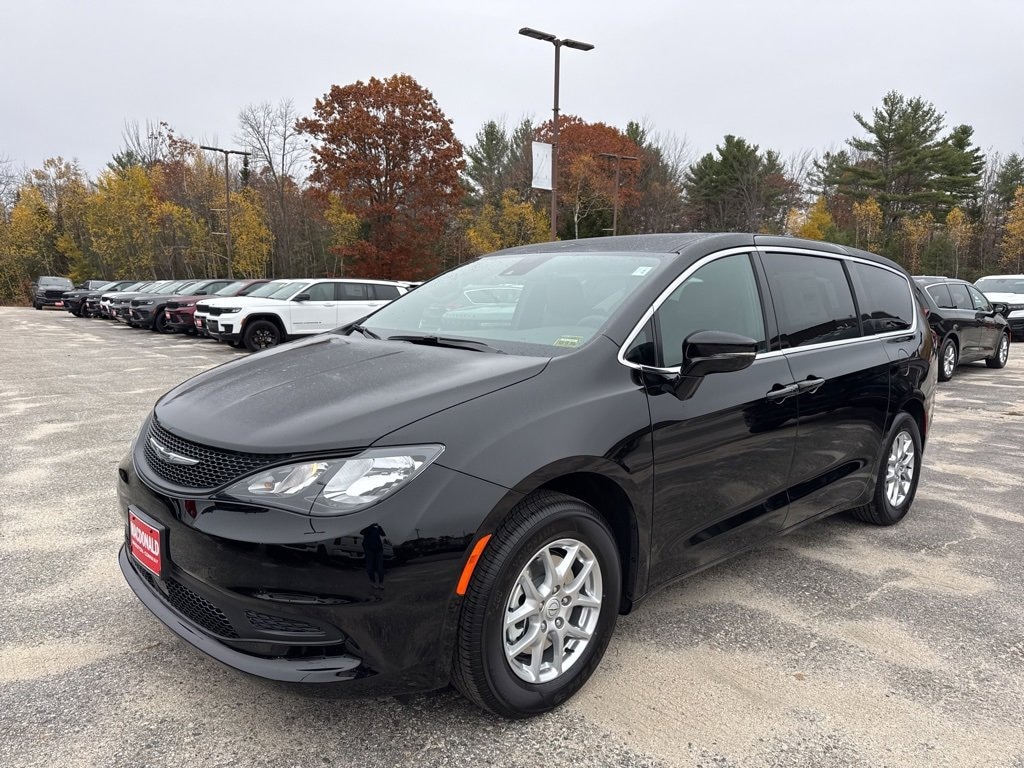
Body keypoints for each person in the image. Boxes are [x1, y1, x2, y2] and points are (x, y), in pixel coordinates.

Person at [360, 523, 387, 588]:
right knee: (370, 567)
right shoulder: (367, 528)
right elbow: (362, 532)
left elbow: (383, 534)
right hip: (369, 550)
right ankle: (373, 582)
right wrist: (370, 526)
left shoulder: (377, 528)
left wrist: (379, 527)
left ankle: (381, 583)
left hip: (378, 550)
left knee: (380, 568)